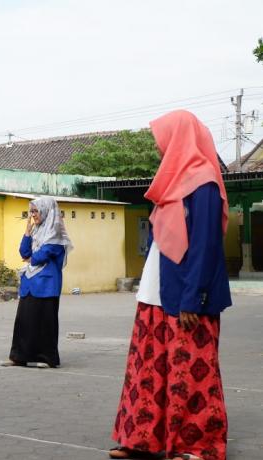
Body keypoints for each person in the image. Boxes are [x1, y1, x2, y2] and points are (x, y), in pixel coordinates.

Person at [110, 110, 231, 460]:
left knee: (191, 369)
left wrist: (194, 297)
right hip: (156, 291)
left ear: (182, 138)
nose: (160, 149)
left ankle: (197, 445)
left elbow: (207, 245)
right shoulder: (172, 183)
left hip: (188, 295)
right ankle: (142, 441)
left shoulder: (204, 182)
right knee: (148, 368)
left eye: (164, 141)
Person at [1, 196, 73, 369]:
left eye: (35, 211)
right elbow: (23, 252)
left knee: (45, 322)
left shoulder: (55, 233)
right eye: (31, 211)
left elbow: (41, 255)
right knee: (24, 320)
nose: (33, 215)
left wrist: (31, 258)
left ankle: (47, 358)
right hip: (30, 283)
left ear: (46, 210)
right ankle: (19, 357)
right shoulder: (36, 231)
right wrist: (27, 232)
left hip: (47, 285)